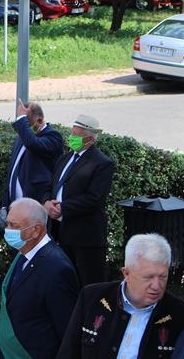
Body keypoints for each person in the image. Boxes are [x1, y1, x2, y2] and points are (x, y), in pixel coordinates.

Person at [57, 233, 184, 358]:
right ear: (126, 273)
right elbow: (68, 352)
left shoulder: (180, 313)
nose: (156, 286)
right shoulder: (93, 297)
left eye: (163, 277)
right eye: (148, 277)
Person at [0, 197, 79, 359]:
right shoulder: (24, 253)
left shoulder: (57, 269)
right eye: (7, 224)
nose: (8, 230)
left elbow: (67, 332)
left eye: (14, 226)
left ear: (36, 230)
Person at [43, 114, 114, 286]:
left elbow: (94, 198)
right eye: (72, 133)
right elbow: (51, 186)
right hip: (59, 232)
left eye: (76, 135)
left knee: (88, 283)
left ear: (90, 139)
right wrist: (46, 202)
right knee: (64, 282)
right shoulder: (65, 158)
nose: (71, 138)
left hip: (85, 237)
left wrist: (63, 208)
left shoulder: (102, 163)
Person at [2, 100, 63, 207]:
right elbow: (13, 170)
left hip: (36, 204)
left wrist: (21, 118)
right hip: (14, 205)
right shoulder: (22, 138)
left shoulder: (53, 137)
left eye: (27, 124)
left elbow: (32, 143)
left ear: (40, 120)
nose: (25, 129)